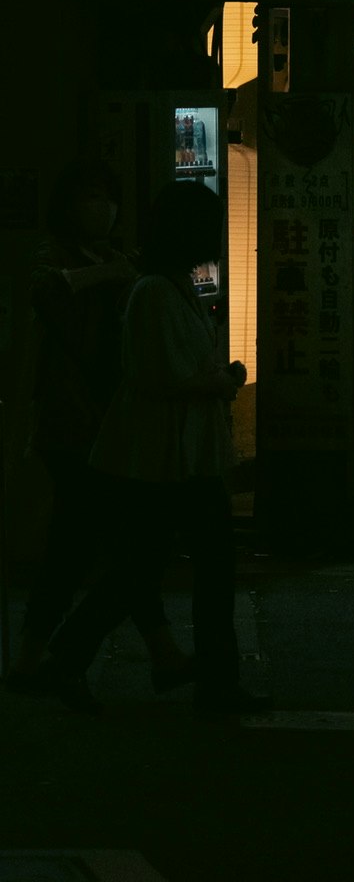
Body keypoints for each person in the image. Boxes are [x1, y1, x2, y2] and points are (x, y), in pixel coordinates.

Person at [41, 183, 268, 715]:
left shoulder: (166, 287)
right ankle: (209, 681)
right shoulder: (157, 292)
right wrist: (220, 382)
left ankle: (71, 657)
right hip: (167, 457)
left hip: (172, 455)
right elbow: (160, 375)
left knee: (148, 568)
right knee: (185, 568)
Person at [7, 164, 186, 694]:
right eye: (89, 197)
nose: (101, 208)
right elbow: (47, 293)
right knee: (107, 543)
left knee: (90, 541)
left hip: (109, 421)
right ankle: (138, 652)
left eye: (107, 197)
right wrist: (110, 274)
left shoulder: (117, 257)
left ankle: (38, 659)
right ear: (67, 207)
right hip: (70, 422)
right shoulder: (58, 258)